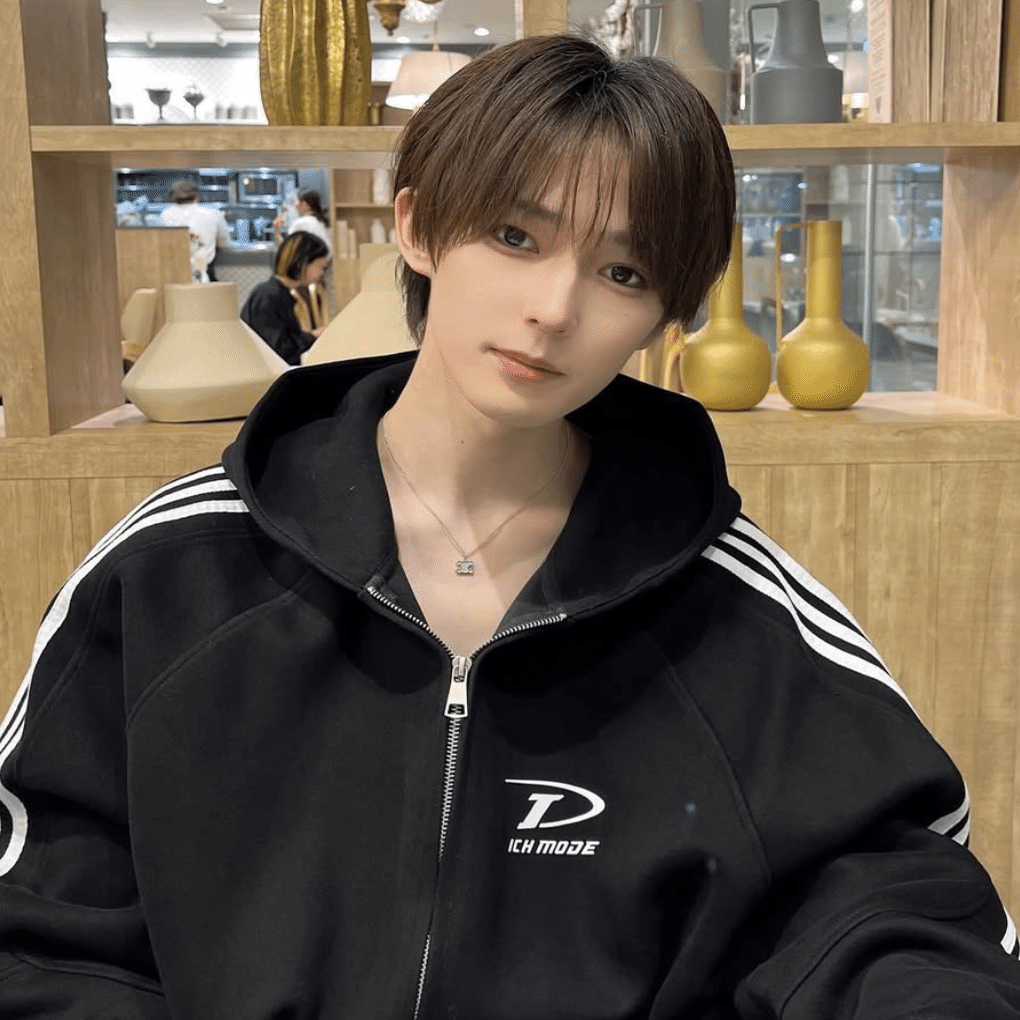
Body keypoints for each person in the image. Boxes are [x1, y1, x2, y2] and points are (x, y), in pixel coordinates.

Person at [0, 31, 1018, 1020]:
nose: (555, 308)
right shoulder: (174, 574)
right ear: (417, 227)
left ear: (666, 315)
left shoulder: (742, 617)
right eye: (516, 237)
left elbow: (891, 913)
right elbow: (43, 926)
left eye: (623, 273)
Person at [239, 230, 331, 365]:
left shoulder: (279, 293)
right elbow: (280, 350)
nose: (322, 273)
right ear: (303, 263)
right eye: (320, 266)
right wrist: (313, 336)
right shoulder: (269, 297)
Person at [159, 178, 230, 282]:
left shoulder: (165, 215)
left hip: (174, 271)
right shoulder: (213, 214)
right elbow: (224, 243)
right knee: (202, 282)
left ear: (172, 196)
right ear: (197, 196)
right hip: (202, 266)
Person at [273, 187, 333, 255]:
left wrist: (277, 233)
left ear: (305, 204)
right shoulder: (321, 221)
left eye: (295, 201)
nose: (295, 205)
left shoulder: (302, 222)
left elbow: (287, 252)